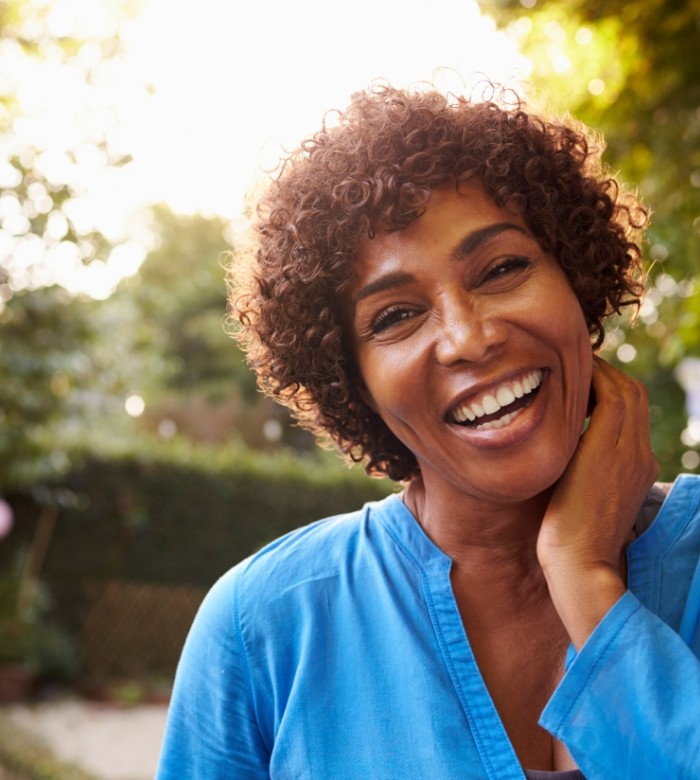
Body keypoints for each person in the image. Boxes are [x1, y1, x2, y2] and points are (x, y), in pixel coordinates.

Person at [156, 82, 700, 779]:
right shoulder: (265, 624)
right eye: (394, 317)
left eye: (502, 269)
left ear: (575, 277)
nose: (468, 339)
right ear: (352, 382)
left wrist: (586, 580)